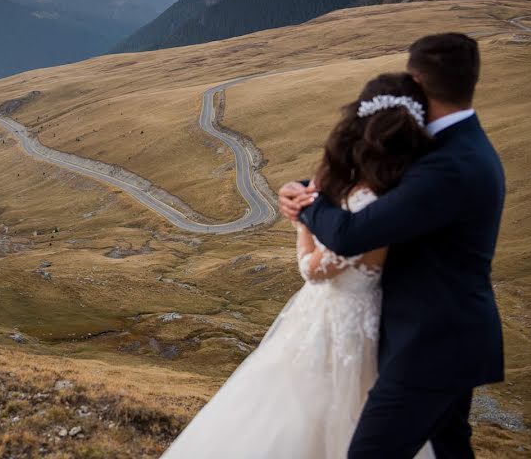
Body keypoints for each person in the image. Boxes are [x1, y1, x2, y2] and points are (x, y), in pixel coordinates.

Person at [162, 72, 435, 459]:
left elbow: (313, 269)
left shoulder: (363, 201)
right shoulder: (397, 192)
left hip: (334, 316)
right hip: (369, 318)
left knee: (302, 412)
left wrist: (300, 225)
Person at [280, 33, 505, 458]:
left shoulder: (448, 164)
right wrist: (306, 189)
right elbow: (387, 197)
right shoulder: (457, 147)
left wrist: (307, 204)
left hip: (431, 343)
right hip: (448, 335)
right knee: (450, 448)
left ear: (417, 81)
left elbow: (351, 235)